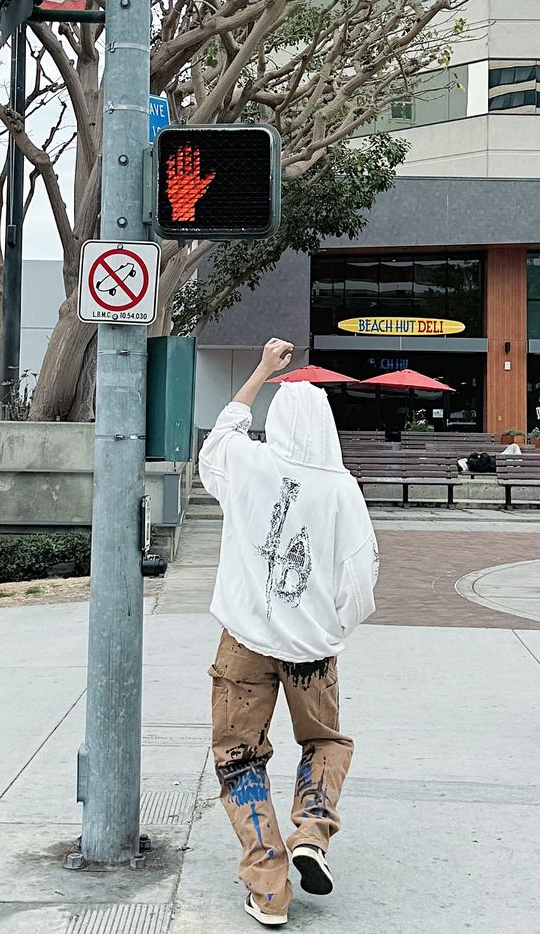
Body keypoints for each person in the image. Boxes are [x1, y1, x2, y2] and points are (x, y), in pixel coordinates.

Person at [198, 339, 379, 928]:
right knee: (324, 741)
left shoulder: (247, 464)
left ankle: (269, 885)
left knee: (239, 759)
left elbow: (220, 436)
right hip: (312, 651)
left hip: (243, 643)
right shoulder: (342, 488)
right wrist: (332, 627)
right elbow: (361, 578)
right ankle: (312, 830)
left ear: (275, 422)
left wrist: (260, 372)